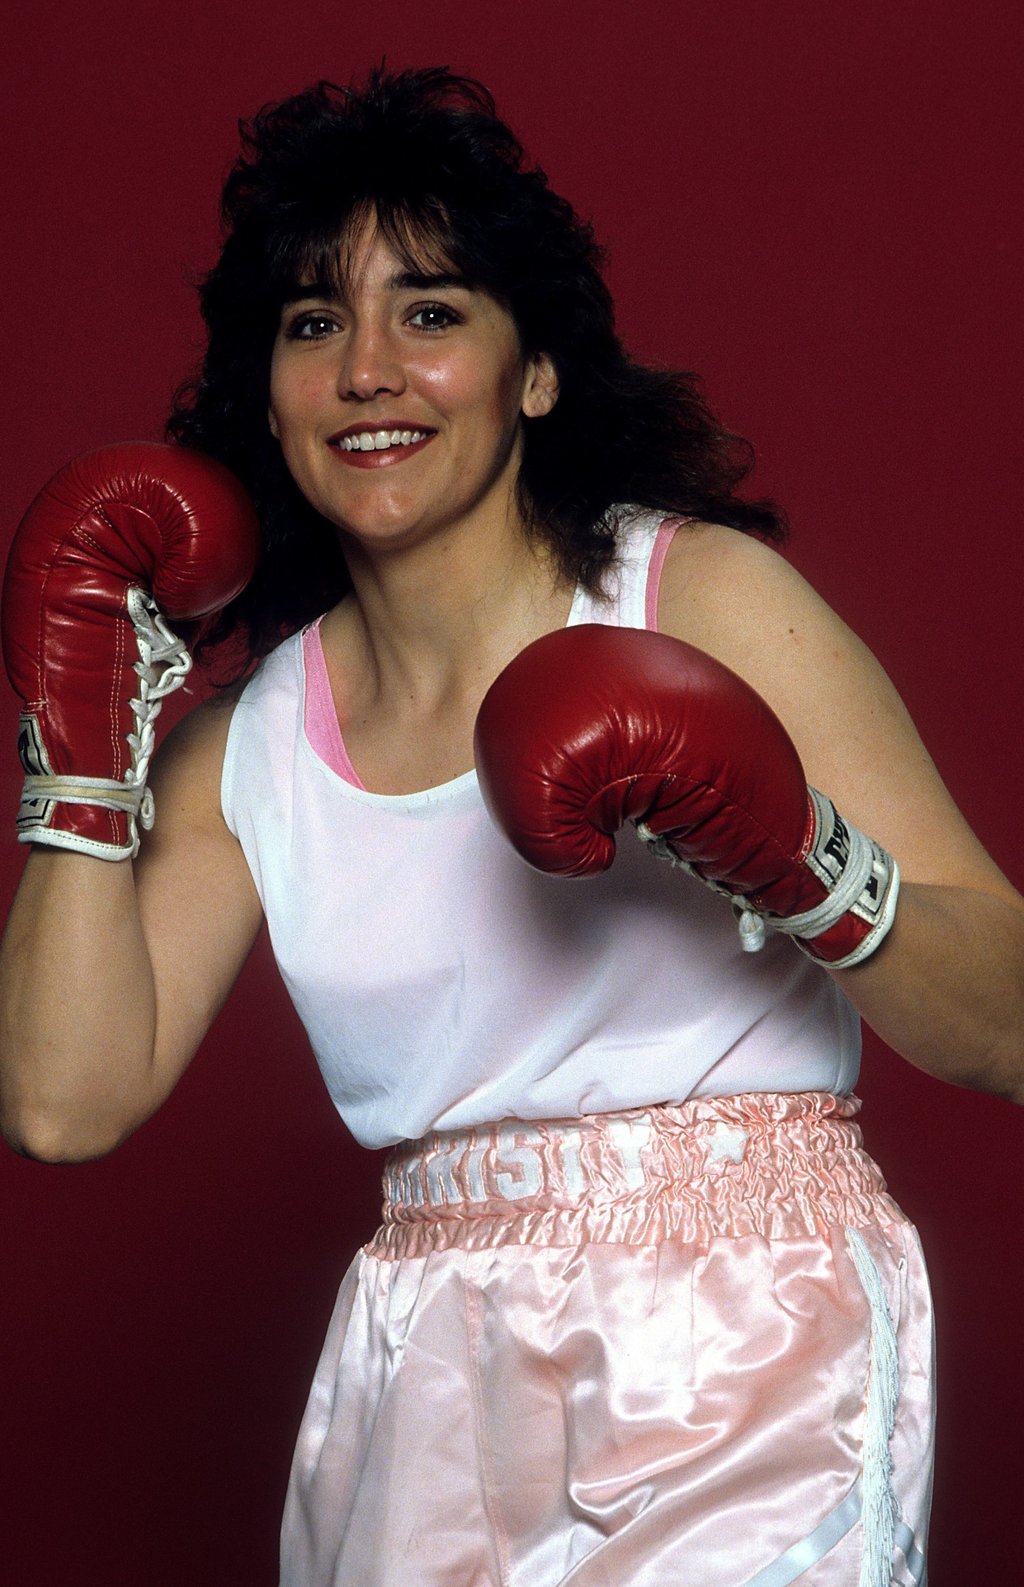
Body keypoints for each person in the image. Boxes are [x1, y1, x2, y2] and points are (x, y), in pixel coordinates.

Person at [1, 64, 1022, 1587]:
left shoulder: (694, 601)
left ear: (534, 371)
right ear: (267, 398)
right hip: (421, 1360)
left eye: (430, 311)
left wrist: (802, 864)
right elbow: (61, 1104)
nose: (368, 371)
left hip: (740, 1327)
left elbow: (1010, 1021)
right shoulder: (252, 745)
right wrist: (84, 753)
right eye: (313, 323)